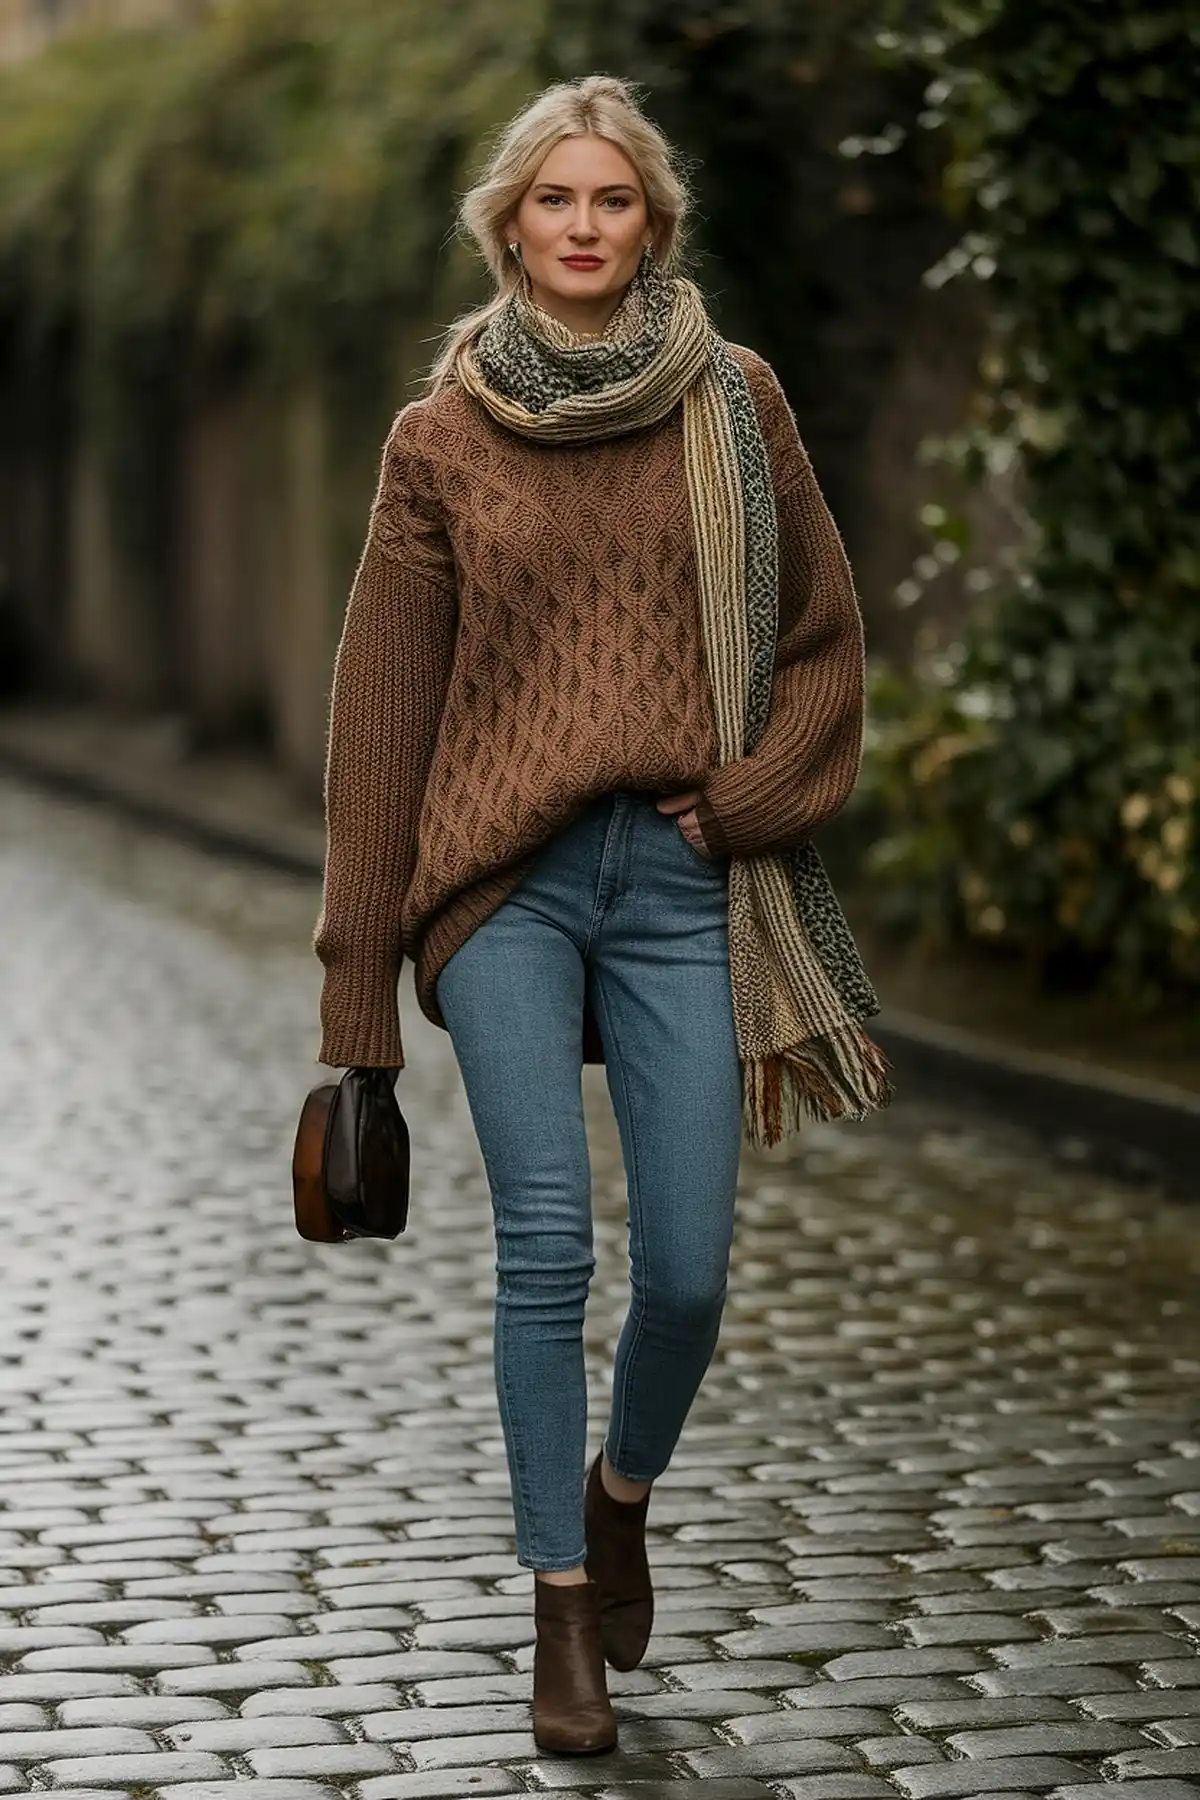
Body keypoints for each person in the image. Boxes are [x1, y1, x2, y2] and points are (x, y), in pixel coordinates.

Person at [313, 72, 887, 1756]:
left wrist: (756, 800)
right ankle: (559, 1610)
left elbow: (825, 639)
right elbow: (379, 721)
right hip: (504, 888)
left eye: (611, 199)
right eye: (553, 199)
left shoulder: (736, 403)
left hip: (683, 881)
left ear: (652, 223)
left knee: (690, 1271)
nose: (581, 225)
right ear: (510, 226)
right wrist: (357, 997)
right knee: (547, 1247)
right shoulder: (439, 439)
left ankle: (619, 1496)